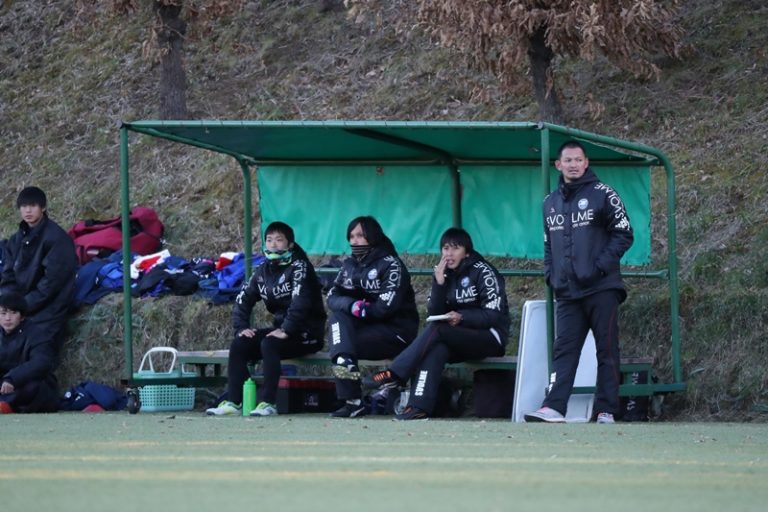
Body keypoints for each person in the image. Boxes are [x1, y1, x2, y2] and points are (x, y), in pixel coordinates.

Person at [524, 140, 634, 424]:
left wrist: (599, 267)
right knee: (564, 350)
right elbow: (548, 245)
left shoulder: (604, 193)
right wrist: (551, 275)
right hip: (567, 292)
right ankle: (553, 407)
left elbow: (624, 233)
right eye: (567, 160)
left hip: (602, 288)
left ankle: (605, 410)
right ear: (558, 165)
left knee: (606, 349)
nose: (573, 165)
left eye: (577, 160)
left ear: (586, 163)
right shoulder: (549, 203)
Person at [366, 228, 510, 420]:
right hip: (457, 337)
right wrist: (439, 284)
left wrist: (462, 317)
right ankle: (417, 408)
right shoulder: (444, 274)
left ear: (467, 252)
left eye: (455, 248)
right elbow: (434, 314)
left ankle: (395, 374)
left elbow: (494, 315)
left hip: (490, 337)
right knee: (435, 348)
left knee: (438, 331)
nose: (449, 254)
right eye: (445, 248)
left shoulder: (484, 272)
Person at [206, 222, 327, 416]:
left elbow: (301, 303)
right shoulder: (262, 270)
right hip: (281, 331)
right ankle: (235, 402)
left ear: (290, 245)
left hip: (307, 334)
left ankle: (268, 403)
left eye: (279, 240)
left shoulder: (300, 267)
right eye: (269, 240)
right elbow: (243, 300)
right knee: (240, 343)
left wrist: (286, 329)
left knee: (269, 344)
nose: (273, 245)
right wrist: (241, 327)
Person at [326, 216, 419, 418]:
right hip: (365, 330)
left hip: (396, 332)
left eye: (360, 235)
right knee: (338, 327)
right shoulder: (349, 264)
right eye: (351, 236)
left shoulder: (392, 265)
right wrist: (353, 306)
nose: (355, 241)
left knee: (342, 345)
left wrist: (362, 311)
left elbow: (384, 309)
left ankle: (353, 400)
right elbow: (332, 297)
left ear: (373, 236)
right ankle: (353, 400)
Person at [0, 186, 77, 356]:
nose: (27, 210)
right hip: (20, 308)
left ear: (43, 207)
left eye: (33, 205)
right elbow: (8, 275)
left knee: (35, 356)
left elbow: (51, 284)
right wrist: (9, 304)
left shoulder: (57, 239)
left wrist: (21, 307)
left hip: (48, 311)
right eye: (23, 206)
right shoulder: (16, 239)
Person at [0, 291, 59, 414]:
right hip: (4, 384)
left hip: (25, 383)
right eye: (3, 313)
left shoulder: (36, 334)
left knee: (33, 387)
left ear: (22, 316)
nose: (7, 318)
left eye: (13, 313)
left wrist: (12, 378)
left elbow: (41, 362)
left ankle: (7, 405)